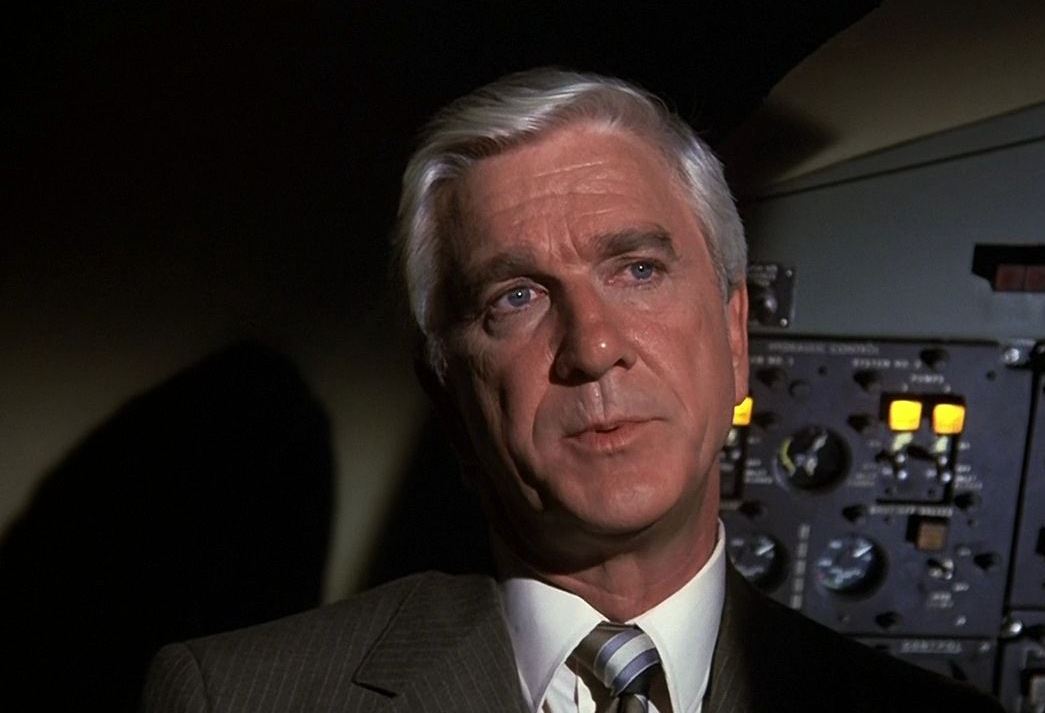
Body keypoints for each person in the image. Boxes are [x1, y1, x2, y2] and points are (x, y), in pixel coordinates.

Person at [143, 68, 1001, 713]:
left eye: (637, 270)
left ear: (735, 334)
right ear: (447, 392)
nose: (592, 347)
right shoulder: (233, 697)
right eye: (515, 297)